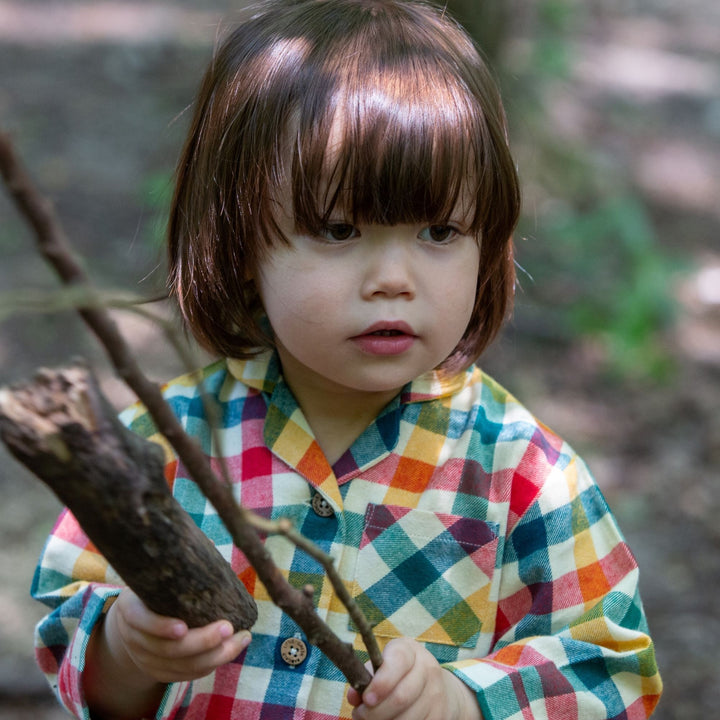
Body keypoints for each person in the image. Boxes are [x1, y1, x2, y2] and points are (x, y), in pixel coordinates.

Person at [31, 1, 662, 718]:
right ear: (240, 249)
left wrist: (464, 703)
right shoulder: (163, 446)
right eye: (338, 229)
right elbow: (73, 649)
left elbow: (611, 672)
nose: (393, 278)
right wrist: (126, 649)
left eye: (438, 230)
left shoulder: (521, 474)